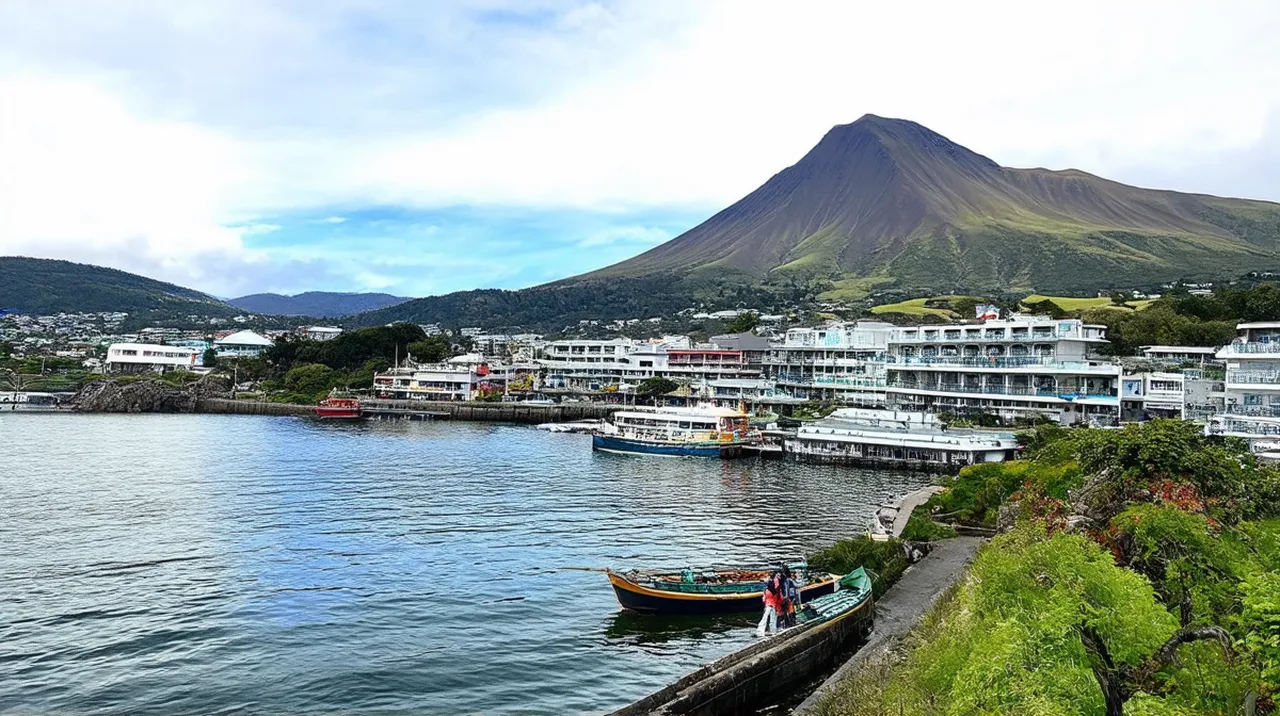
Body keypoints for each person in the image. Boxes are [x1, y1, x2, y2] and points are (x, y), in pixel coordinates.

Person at [756, 569, 783, 637]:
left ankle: (764, 630)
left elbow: (764, 599)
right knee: (771, 617)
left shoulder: (767, 590)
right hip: (772, 604)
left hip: (770, 604)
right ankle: (771, 630)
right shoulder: (775, 588)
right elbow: (779, 596)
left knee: (768, 617)